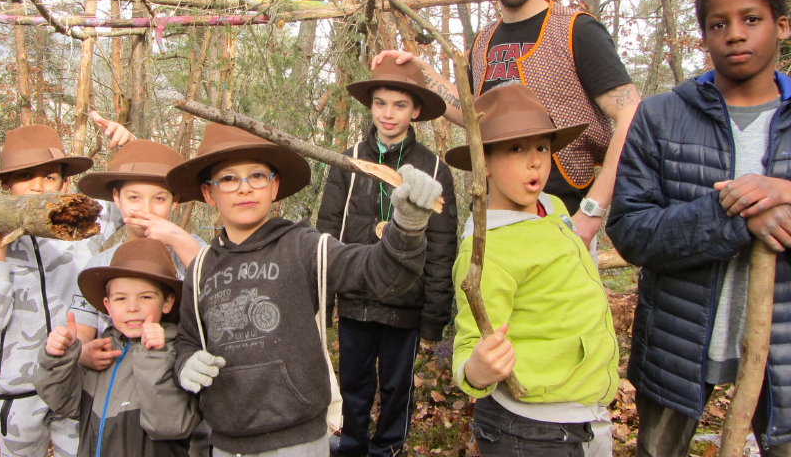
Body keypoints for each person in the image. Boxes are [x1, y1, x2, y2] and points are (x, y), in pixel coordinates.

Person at [165, 122, 442, 457]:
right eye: (227, 178)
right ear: (208, 193)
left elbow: (383, 274)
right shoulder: (201, 267)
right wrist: (186, 364)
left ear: (274, 185)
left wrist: (408, 225)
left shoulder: (305, 246)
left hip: (300, 442)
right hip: (225, 442)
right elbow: (188, 339)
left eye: (256, 176)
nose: (244, 188)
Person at [372, 0, 640, 252]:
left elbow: (631, 115)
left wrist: (591, 213)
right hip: (492, 222)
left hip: (561, 224)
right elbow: (474, 115)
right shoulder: (484, 41)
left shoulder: (577, 31)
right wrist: (423, 74)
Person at [606, 0, 791, 456]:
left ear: (782, 25)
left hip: (783, 352)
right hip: (677, 345)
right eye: (718, 24)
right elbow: (630, 230)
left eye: (751, 19)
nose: (734, 34)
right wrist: (737, 215)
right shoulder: (662, 116)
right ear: (703, 36)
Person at [447, 83, 619, 457]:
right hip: (530, 429)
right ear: (485, 163)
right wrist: (476, 370)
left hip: (587, 412)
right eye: (516, 149)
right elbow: (469, 342)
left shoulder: (552, 205)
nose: (535, 161)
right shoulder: (486, 251)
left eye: (542, 146)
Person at [316, 59, 458, 457]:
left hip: (406, 302)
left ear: (415, 111)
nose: (388, 114)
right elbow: (327, 231)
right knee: (355, 383)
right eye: (380, 104)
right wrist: (325, 301)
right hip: (356, 295)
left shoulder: (433, 169)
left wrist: (434, 317)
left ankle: (389, 448)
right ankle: (352, 446)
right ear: (371, 107)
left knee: (398, 386)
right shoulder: (348, 159)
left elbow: (443, 246)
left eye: (399, 105)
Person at [0, 114, 133, 457]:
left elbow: (130, 197)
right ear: (6, 187)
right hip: (16, 394)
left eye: (50, 176)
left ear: (65, 186)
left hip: (76, 382)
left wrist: (129, 148)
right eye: (25, 177)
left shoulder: (79, 224)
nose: (39, 186)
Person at [34, 237, 200, 457]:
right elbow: (66, 404)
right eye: (121, 298)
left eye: (145, 297)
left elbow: (169, 425)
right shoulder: (103, 352)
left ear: (168, 302)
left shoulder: (178, 353)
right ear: (107, 306)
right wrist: (59, 357)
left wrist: (154, 356)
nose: (132, 307)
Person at [72, 139, 205, 344]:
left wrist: (178, 240)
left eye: (159, 198)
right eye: (134, 197)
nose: (147, 209)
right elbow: (82, 328)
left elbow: (219, 293)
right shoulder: (101, 264)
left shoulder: (193, 248)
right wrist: (83, 352)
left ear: (174, 201)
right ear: (117, 198)